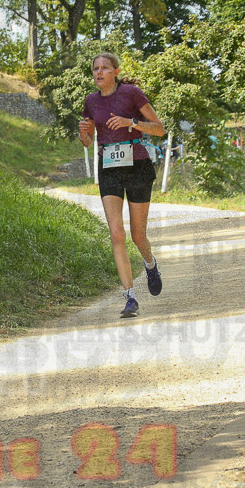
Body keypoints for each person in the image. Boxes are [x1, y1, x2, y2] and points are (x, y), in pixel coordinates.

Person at [78, 52, 166, 318]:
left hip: (137, 166)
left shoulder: (131, 93)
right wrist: (83, 132)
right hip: (109, 169)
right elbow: (88, 141)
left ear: (115, 72)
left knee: (138, 236)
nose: (99, 72)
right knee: (117, 233)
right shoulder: (91, 101)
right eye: (95, 69)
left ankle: (150, 264)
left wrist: (131, 123)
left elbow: (159, 128)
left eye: (105, 68)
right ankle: (130, 296)